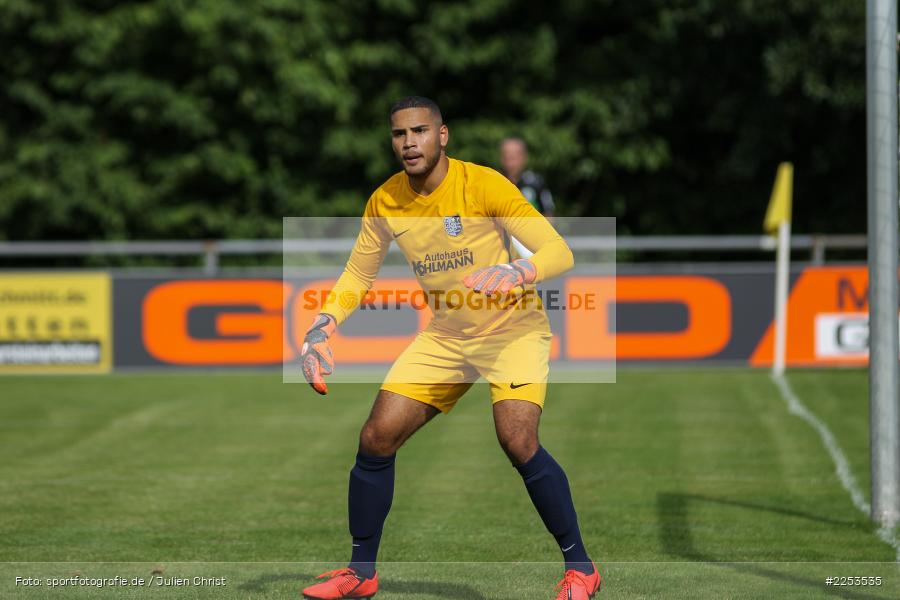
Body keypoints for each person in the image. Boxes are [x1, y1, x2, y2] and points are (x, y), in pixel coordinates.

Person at [299, 96, 600, 600]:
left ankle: (581, 568)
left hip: (514, 331)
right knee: (376, 437)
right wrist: (323, 325)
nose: (409, 142)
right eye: (399, 134)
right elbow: (358, 272)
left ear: (442, 135)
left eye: (419, 131)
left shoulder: (483, 183)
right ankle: (360, 572)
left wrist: (517, 270)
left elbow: (558, 250)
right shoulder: (385, 200)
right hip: (448, 338)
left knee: (517, 440)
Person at [499, 137, 555, 219]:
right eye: (507, 157)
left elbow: (548, 215)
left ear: (524, 157)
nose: (510, 163)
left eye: (514, 158)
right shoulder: (495, 183)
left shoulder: (536, 182)